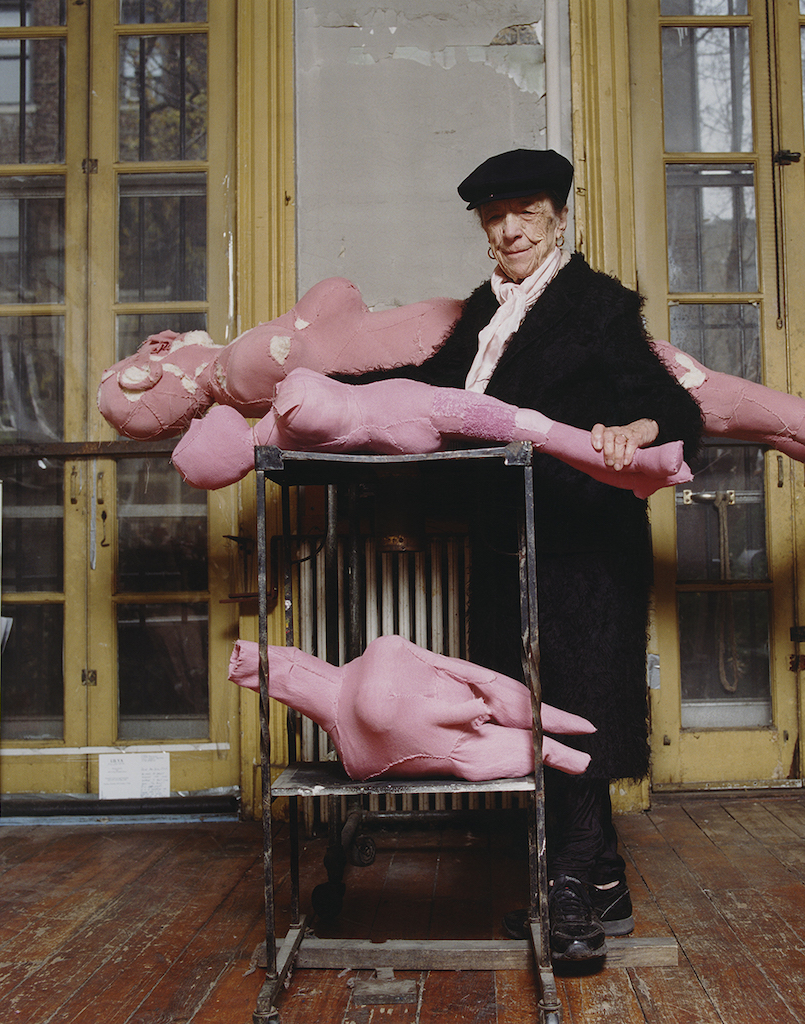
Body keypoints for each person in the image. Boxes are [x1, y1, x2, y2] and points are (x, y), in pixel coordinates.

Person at [331, 148, 705, 961]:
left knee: (575, 705)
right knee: (526, 709)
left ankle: (565, 893)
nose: (509, 229)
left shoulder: (596, 304)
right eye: (494, 218)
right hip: (508, 541)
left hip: (584, 546)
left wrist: (632, 430)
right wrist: (335, 394)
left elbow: (668, 403)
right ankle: (601, 884)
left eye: (525, 214)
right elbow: (434, 384)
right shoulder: (480, 313)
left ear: (557, 218)